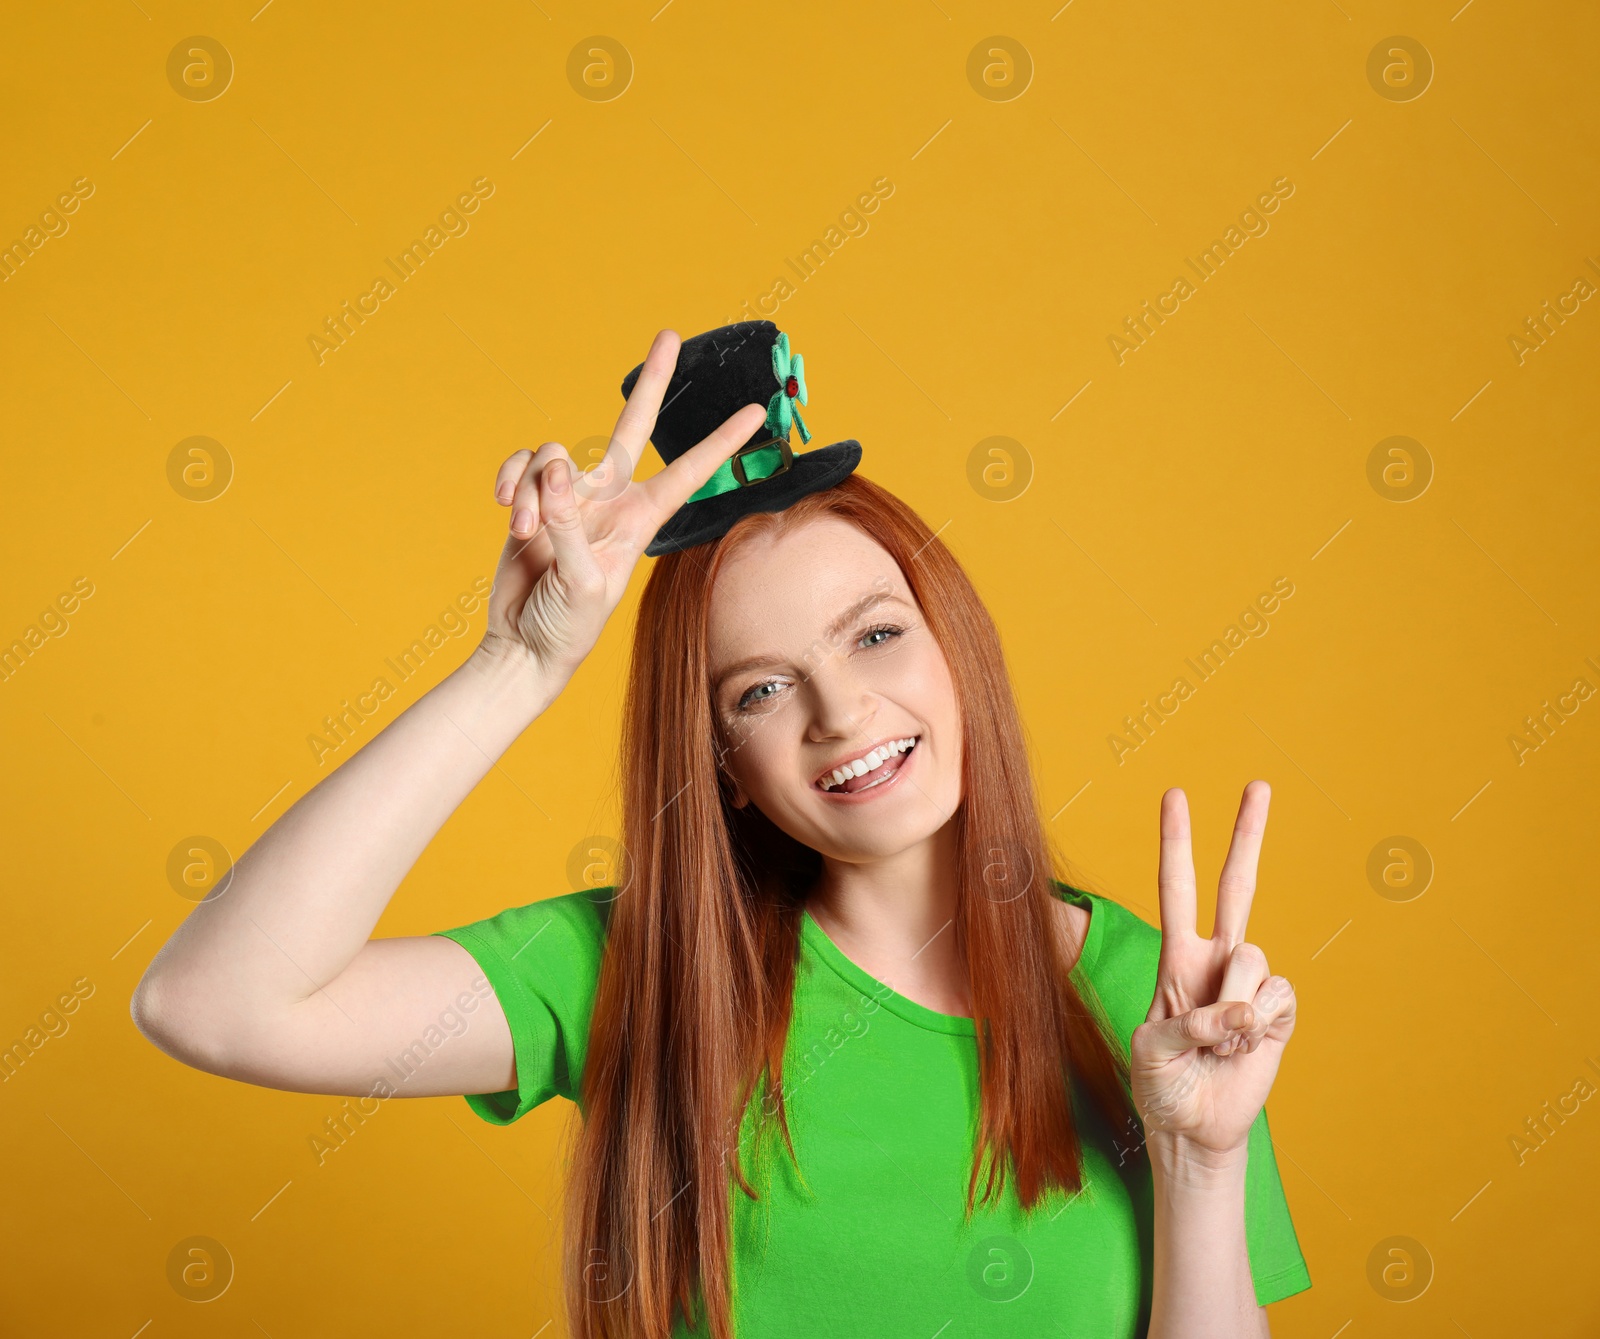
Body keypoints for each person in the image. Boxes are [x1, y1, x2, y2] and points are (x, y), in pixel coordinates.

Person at [132, 321, 1310, 1338]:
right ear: (724, 770)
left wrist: (1200, 1160)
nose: (840, 711)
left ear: (962, 650)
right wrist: (520, 663)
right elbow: (215, 1001)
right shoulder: (639, 973)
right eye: (759, 690)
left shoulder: (1168, 1006)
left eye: (877, 634)